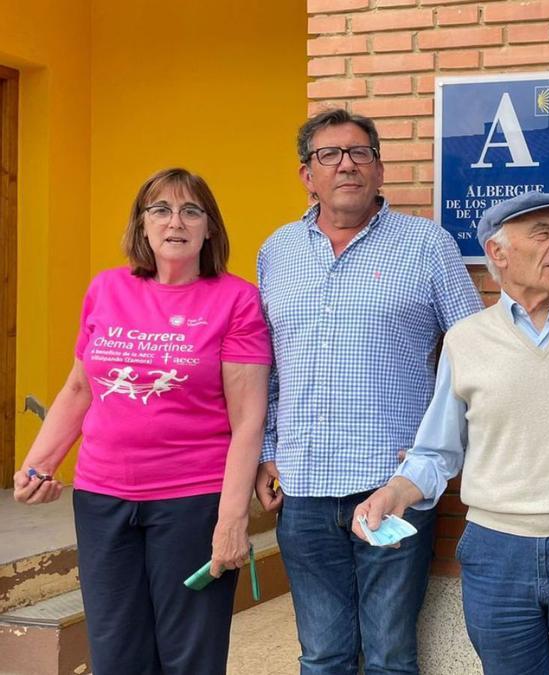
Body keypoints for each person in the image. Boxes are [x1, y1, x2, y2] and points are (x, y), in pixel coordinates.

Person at [351, 191, 549, 675]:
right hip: (497, 551)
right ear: (498, 253)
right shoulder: (466, 340)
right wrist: (395, 491)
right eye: (542, 233)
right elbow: (437, 452)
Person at [12, 168, 271, 674]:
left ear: (209, 228)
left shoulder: (235, 300)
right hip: (103, 498)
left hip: (191, 502)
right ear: (142, 224)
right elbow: (79, 387)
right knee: (115, 653)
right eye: (161, 209)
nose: (176, 221)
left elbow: (249, 419)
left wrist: (232, 518)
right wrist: (39, 464)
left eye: (191, 210)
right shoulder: (107, 288)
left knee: (189, 656)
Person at [256, 109, 482, 674]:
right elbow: (265, 367)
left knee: (389, 656)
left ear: (380, 169)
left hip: (392, 485)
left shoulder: (427, 245)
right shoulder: (276, 252)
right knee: (323, 655)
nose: (346, 166)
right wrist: (265, 452)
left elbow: (476, 355)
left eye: (360, 153)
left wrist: (441, 452)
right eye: (328, 155)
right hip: (303, 486)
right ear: (307, 175)